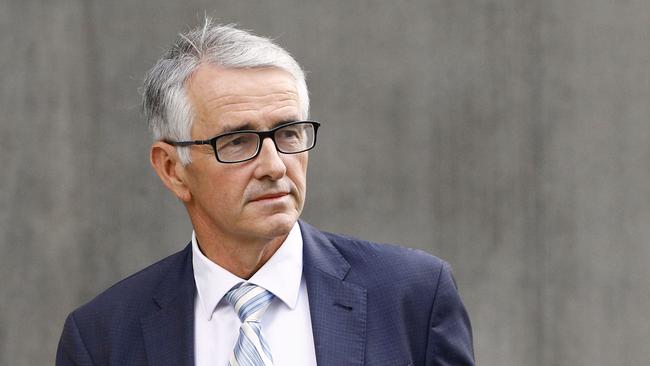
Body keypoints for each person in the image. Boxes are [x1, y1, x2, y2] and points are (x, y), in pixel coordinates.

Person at [56, 19, 474, 366]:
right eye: (237, 141)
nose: (275, 165)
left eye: (289, 133)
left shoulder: (412, 297)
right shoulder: (103, 338)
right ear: (172, 169)